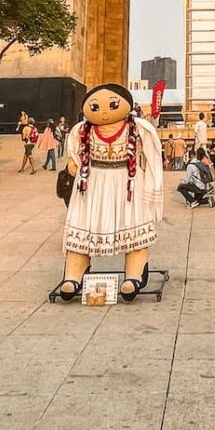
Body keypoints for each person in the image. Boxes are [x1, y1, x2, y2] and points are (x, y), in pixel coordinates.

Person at [61, 83, 164, 303]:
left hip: (127, 182)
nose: (105, 111)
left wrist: (153, 185)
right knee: (83, 227)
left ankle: (134, 275)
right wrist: (73, 163)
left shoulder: (138, 128)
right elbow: (72, 151)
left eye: (113, 105)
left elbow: (153, 155)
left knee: (133, 228)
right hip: (92, 183)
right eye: (95, 106)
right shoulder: (81, 130)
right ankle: (73, 275)